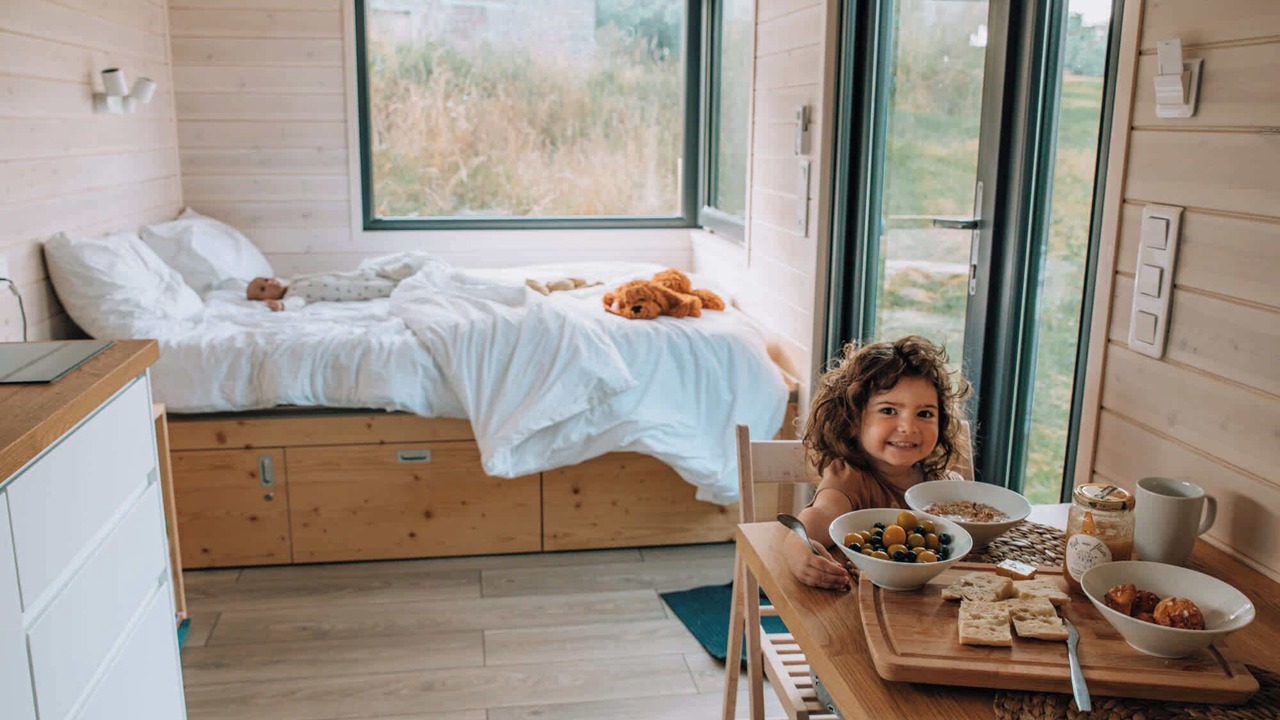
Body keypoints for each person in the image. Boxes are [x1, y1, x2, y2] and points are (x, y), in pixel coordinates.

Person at [784, 335, 972, 591]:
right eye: (889, 411)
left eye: (925, 414)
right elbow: (819, 516)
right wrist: (797, 547)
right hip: (861, 610)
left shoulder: (940, 482)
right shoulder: (849, 479)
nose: (908, 427)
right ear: (852, 419)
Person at [246, 270, 399, 311]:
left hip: (350, 278)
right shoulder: (293, 295)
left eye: (266, 279)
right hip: (351, 289)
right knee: (383, 288)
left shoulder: (294, 281)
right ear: (265, 300)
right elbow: (296, 303)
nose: (269, 283)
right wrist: (281, 306)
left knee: (381, 276)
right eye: (263, 289)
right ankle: (405, 286)